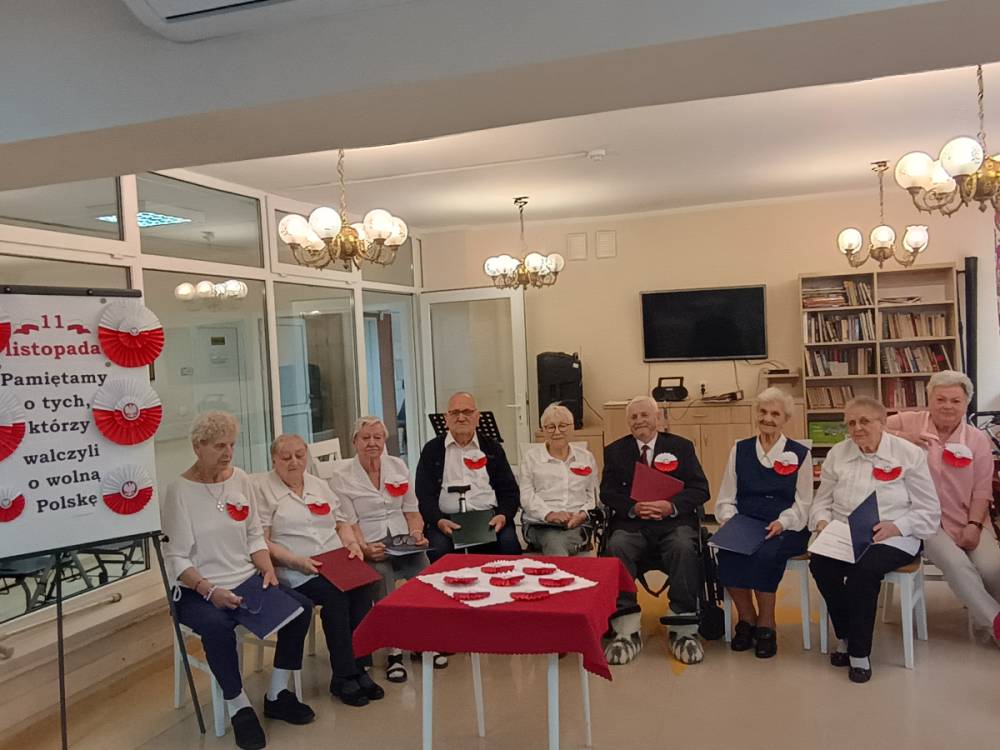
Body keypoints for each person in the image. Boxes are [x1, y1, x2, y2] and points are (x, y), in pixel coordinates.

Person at [161, 412, 315, 750]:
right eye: (219, 446)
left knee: (300, 609)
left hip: (244, 578)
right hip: (195, 589)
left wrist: (267, 569)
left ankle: (277, 693)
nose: (228, 452)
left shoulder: (241, 479)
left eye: (231, 444)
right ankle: (239, 706)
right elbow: (176, 559)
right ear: (198, 447)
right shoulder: (179, 491)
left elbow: (254, 535)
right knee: (217, 627)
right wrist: (210, 590)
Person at [809, 396, 940, 683]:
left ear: (882, 423)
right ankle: (845, 635)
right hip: (845, 532)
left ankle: (859, 653)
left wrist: (897, 526)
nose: (857, 428)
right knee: (820, 564)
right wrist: (822, 522)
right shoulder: (837, 454)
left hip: (895, 535)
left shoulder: (909, 454)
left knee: (862, 572)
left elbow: (929, 510)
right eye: (851, 423)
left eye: (864, 421)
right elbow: (822, 501)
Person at [254, 434, 383, 708]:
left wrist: (351, 544)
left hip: (335, 560)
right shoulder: (263, 490)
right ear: (274, 460)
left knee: (363, 589)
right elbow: (262, 542)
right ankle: (343, 675)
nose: (294, 462)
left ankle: (360, 667)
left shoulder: (318, 485)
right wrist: (295, 560)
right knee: (337, 597)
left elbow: (341, 523)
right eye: (286, 457)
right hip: (297, 567)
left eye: (300, 455)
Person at [886, 370, 1000, 645]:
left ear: (966, 404)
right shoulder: (911, 421)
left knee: (993, 566)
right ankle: (995, 625)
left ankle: (987, 618)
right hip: (923, 520)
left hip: (968, 517)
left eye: (955, 400)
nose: (947, 406)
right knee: (957, 564)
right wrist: (905, 438)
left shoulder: (977, 439)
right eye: (940, 399)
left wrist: (974, 526)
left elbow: (982, 489)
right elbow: (868, 427)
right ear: (929, 400)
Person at [600, 396, 710, 665]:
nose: (639, 421)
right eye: (634, 417)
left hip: (673, 523)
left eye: (645, 415)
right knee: (617, 545)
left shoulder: (681, 447)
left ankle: (683, 627)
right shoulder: (615, 451)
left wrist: (670, 506)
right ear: (628, 422)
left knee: (683, 545)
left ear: (657, 418)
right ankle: (626, 628)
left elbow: (700, 489)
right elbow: (607, 493)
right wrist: (633, 508)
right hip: (632, 524)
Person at [330, 416, 439, 683]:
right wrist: (365, 549)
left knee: (424, 571)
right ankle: (394, 651)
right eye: (365, 438)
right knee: (382, 576)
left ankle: (423, 640)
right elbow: (349, 523)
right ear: (355, 441)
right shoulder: (342, 477)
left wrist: (416, 535)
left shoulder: (398, 466)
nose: (372, 443)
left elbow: (412, 511)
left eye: (377, 437)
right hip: (369, 545)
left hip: (403, 543)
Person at [714, 387, 813, 658]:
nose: (768, 418)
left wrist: (783, 522)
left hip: (785, 525)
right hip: (746, 521)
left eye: (775, 414)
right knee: (728, 552)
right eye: (763, 412)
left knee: (765, 555)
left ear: (786, 419)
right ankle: (747, 618)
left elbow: (803, 502)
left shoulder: (800, 453)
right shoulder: (740, 449)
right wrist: (729, 521)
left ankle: (767, 623)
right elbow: (726, 496)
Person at [415, 392, 522, 561]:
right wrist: (438, 521)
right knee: (438, 550)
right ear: (446, 419)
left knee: (508, 545)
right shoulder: (432, 450)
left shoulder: (493, 448)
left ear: (477, 417)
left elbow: (509, 491)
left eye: (467, 412)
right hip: (445, 521)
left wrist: (502, 515)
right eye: (455, 413)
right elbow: (423, 494)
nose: (461, 418)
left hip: (489, 519)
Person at [520, 403, 598, 556]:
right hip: (541, 524)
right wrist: (549, 514)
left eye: (562, 426)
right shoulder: (531, 458)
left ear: (572, 428)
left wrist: (582, 514)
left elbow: (594, 495)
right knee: (554, 541)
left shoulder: (586, 457)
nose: (557, 432)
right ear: (543, 430)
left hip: (577, 523)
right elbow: (526, 496)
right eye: (550, 427)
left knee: (558, 542)